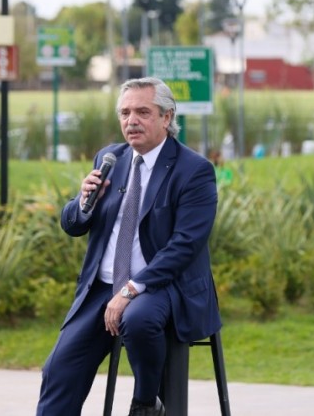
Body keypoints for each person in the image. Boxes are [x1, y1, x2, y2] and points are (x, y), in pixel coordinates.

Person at [36, 77, 221, 416]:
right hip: (102, 288)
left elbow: (185, 245)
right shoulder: (110, 159)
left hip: (163, 286)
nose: (131, 121)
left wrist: (131, 289)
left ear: (166, 117)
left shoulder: (194, 170)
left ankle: (146, 403)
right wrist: (84, 202)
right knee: (59, 369)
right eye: (125, 113)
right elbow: (73, 225)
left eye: (142, 112)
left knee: (137, 320)